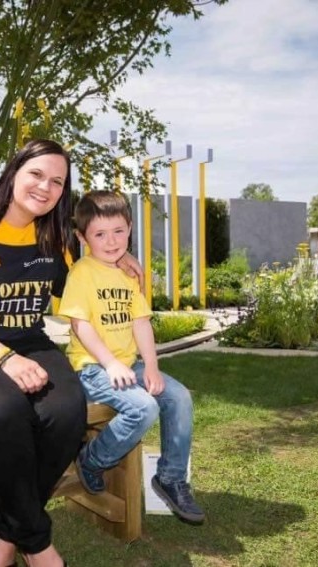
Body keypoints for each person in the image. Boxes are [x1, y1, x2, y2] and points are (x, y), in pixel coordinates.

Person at [0, 140, 123, 567]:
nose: (45, 187)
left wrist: (119, 261)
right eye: (36, 174)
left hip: (30, 342)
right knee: (2, 413)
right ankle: (38, 545)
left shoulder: (55, 236)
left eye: (57, 181)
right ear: (14, 172)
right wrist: (5, 360)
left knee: (68, 412)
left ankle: (5, 539)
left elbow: (82, 287)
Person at [58, 190, 206, 525]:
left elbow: (141, 323)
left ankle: (170, 478)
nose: (111, 242)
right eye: (99, 234)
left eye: (119, 231)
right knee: (144, 407)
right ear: (82, 237)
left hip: (129, 365)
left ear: (129, 229)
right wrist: (110, 363)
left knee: (178, 397)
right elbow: (80, 324)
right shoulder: (82, 273)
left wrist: (151, 366)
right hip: (93, 368)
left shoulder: (128, 275)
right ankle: (92, 460)